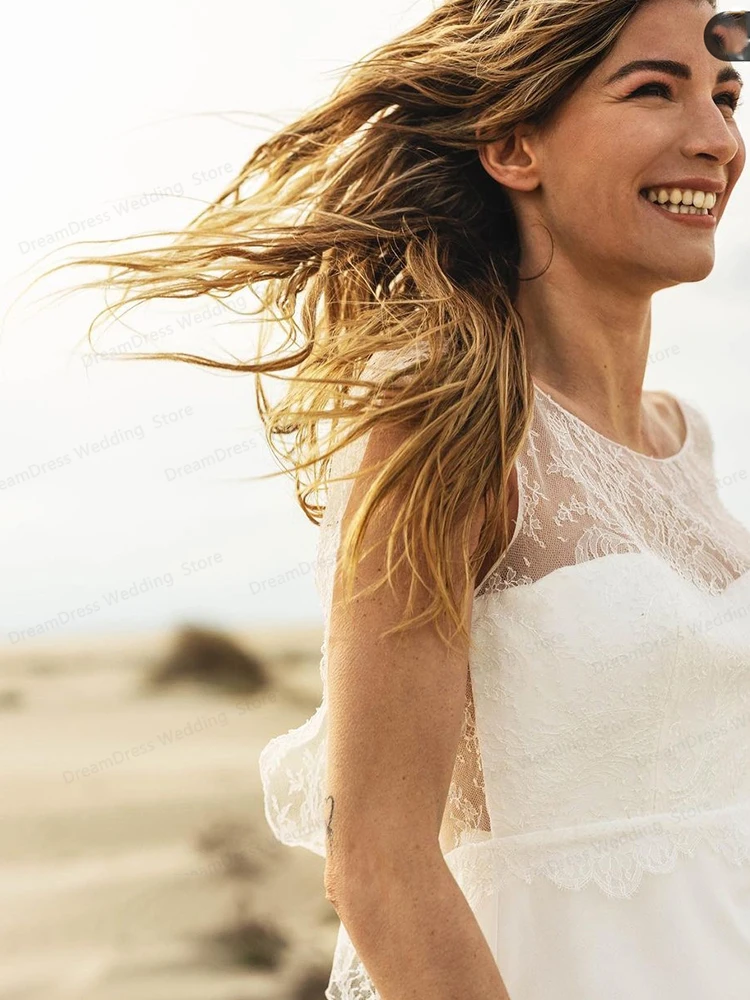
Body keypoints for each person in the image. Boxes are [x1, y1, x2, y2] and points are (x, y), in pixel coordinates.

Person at [36, 0, 750, 996]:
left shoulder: (690, 444)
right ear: (510, 144)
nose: (718, 139)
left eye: (727, 94)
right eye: (653, 90)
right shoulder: (445, 435)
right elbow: (376, 861)